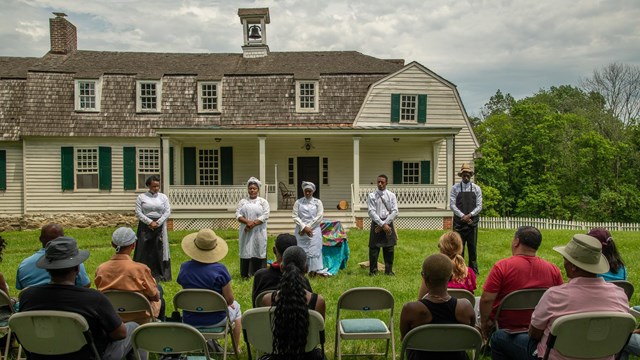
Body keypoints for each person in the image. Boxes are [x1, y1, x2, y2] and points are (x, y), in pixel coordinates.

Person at [491, 234, 630, 360]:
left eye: (566, 259)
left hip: (553, 357)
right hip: (602, 356)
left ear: (574, 266)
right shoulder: (619, 295)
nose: (564, 262)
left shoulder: (555, 295)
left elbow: (534, 334)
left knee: (499, 338)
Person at [18, 237, 145, 360]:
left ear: (47, 269)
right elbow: (120, 334)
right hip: (88, 355)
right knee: (133, 327)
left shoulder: (27, 296)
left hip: (41, 355)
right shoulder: (94, 299)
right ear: (77, 268)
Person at [480, 226, 563, 341]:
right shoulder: (554, 270)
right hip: (539, 328)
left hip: (505, 328)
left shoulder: (502, 267)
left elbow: (487, 299)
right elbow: (559, 300)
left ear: (516, 241)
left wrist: (484, 323)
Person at [176, 229, 241, 353]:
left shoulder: (184, 268)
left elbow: (185, 290)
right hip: (216, 320)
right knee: (236, 308)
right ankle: (236, 348)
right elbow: (229, 300)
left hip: (190, 319)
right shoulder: (220, 270)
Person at [400, 253, 476, 360]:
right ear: (450, 278)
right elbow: (470, 337)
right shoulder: (465, 307)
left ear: (424, 278)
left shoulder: (411, 310)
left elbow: (405, 339)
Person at [263, 246, 326, 360]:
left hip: (277, 354)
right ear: (306, 269)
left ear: (281, 267)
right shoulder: (318, 302)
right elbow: (318, 335)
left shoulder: (267, 299)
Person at [95, 227, 164, 323]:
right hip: (140, 318)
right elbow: (154, 296)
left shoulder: (101, 269)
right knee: (159, 293)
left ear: (112, 244)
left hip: (112, 317)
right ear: (133, 245)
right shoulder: (140, 269)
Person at [16, 223, 91, 290]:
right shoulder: (72, 260)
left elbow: (21, 288)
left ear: (40, 239)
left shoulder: (24, 265)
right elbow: (85, 285)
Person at [251, 233, 312, 307]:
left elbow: (255, 306)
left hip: (265, 318)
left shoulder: (260, 276)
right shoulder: (303, 280)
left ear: (274, 250)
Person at [134, 175, 172, 281]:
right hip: (145, 225)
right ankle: (142, 273)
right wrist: (149, 222)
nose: (156, 189)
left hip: (160, 225)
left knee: (159, 248)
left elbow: (167, 211)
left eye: (158, 186)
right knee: (144, 249)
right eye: (154, 186)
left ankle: (159, 274)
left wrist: (158, 222)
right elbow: (138, 212)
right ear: (148, 186)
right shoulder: (141, 197)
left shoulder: (163, 197)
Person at [418, 231, 477, 299]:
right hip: (460, 309)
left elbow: (421, 299)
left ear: (442, 248)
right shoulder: (469, 273)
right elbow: (470, 300)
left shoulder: (432, 271)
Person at [449, 163, 482, 275]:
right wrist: (462, 216)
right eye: (464, 174)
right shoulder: (455, 188)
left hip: (472, 222)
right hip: (459, 223)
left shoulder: (477, 188)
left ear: (470, 175)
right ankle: (459, 269)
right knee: (459, 247)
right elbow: (452, 205)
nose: (466, 176)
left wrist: (470, 215)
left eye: (467, 174)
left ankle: (473, 271)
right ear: (461, 175)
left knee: (472, 247)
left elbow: (479, 206)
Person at [236, 176, 270, 279]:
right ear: (248, 189)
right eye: (250, 188)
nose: (252, 190)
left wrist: (252, 224)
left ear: (258, 190)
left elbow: (265, 215)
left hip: (259, 231)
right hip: (246, 231)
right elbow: (237, 214)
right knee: (246, 250)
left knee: (258, 249)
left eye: (254, 188)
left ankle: (259, 274)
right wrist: (247, 222)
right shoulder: (243, 202)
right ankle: (246, 274)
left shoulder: (263, 202)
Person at [367, 174, 399, 276]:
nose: (380, 184)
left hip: (388, 223)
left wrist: (385, 224)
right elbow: (371, 212)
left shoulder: (391, 195)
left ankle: (388, 271)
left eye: (382, 182)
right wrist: (381, 224)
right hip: (376, 223)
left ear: (386, 183)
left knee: (389, 248)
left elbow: (395, 211)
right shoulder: (372, 196)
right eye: (378, 182)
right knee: (373, 248)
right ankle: (373, 271)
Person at [292, 181, 326, 276]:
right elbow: (295, 216)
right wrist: (303, 227)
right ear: (303, 191)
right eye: (306, 191)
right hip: (301, 231)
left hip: (314, 230)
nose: (307, 193)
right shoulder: (298, 202)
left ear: (313, 191)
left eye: (309, 191)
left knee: (314, 249)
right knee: (301, 249)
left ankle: (314, 270)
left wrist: (308, 228)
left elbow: (319, 216)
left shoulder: (318, 202)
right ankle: (301, 269)